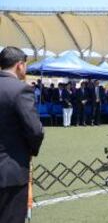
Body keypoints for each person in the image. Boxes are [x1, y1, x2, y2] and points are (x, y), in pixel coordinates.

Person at [0, 47, 44, 223]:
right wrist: (32, 150)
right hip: (10, 171)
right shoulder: (20, 90)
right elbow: (35, 130)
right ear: (19, 65)